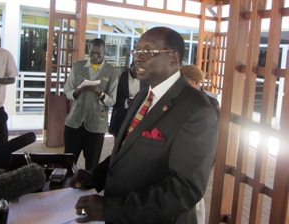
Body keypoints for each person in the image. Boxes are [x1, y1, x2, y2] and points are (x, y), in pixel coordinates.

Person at [70, 27, 219, 224]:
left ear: (173, 59)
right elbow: (126, 149)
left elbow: (184, 189)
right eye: (137, 51)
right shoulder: (144, 94)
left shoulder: (197, 109)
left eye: (147, 52)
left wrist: (112, 209)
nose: (138, 58)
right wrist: (95, 177)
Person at [64, 38, 120, 170]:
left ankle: (87, 190)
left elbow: (112, 100)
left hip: (96, 126)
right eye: (92, 53)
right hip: (74, 123)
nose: (95, 56)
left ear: (104, 53)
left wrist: (100, 92)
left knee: (92, 166)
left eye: (98, 54)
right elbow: (67, 90)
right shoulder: (77, 66)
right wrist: (78, 90)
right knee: (67, 163)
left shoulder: (112, 72)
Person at [180, 64, 220, 224]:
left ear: (196, 81)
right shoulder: (184, 98)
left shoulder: (210, 104)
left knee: (196, 198)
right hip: (184, 155)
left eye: (184, 81)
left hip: (200, 158)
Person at [108, 61, 147, 138]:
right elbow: (112, 99)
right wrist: (126, 102)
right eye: (135, 69)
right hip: (120, 119)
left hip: (137, 118)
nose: (137, 71)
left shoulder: (145, 79)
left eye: (140, 69)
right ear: (131, 66)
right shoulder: (119, 77)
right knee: (118, 146)